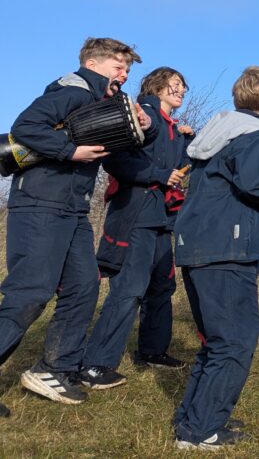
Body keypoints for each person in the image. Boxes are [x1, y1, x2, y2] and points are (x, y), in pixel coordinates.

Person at [0, 37, 146, 412]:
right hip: (40, 205)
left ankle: (54, 368)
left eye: (128, 69)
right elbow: (26, 125)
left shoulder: (102, 101)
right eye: (119, 67)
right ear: (94, 64)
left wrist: (146, 124)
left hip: (72, 209)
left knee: (83, 285)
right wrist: (70, 151)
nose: (125, 74)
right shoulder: (74, 89)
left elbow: (127, 141)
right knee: (29, 293)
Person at [172, 66, 259, 450]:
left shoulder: (218, 131)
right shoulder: (257, 134)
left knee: (216, 341)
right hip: (228, 247)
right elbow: (255, 184)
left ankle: (194, 421)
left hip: (198, 242)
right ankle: (203, 429)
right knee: (235, 341)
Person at [79, 67, 193, 390]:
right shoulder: (143, 114)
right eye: (175, 84)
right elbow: (114, 162)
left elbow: (177, 169)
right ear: (157, 86)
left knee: (162, 287)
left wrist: (188, 142)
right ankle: (95, 364)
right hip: (136, 215)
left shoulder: (173, 128)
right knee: (129, 288)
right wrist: (159, 174)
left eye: (183, 87)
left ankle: (153, 351)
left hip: (161, 219)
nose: (181, 90)